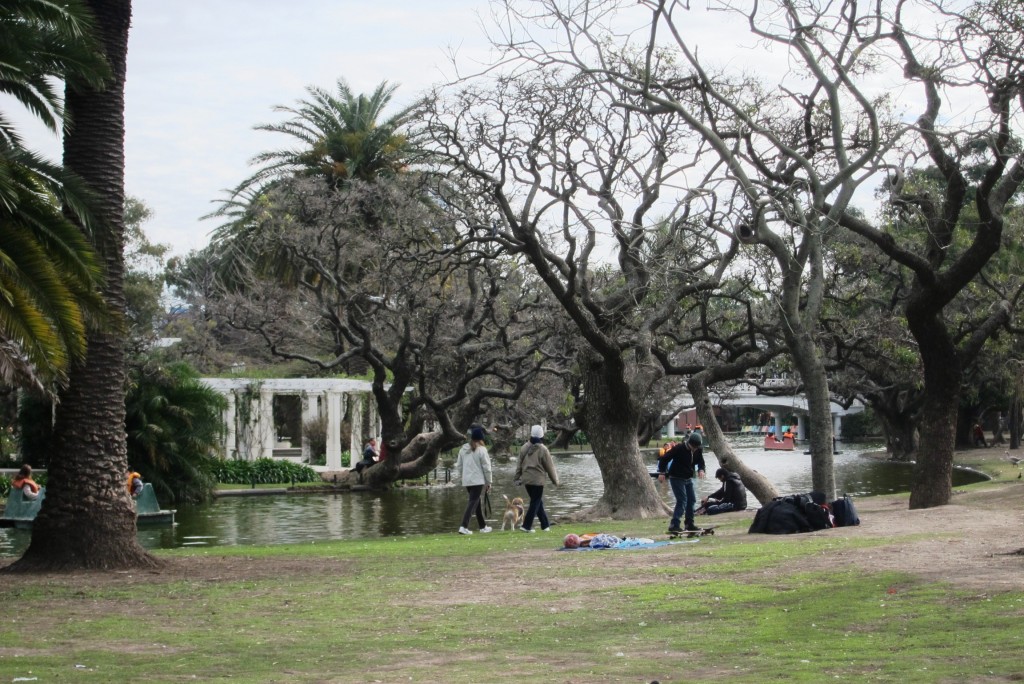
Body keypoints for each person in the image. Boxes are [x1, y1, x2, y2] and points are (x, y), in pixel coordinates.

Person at [514, 424, 561, 533]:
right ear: (541, 435)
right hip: (538, 480)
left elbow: (519, 465)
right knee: (535, 502)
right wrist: (556, 481)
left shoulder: (524, 447)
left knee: (538, 502)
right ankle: (526, 526)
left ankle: (545, 525)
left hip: (526, 480)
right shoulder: (543, 449)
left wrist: (516, 478)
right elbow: (550, 467)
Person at [657, 432, 706, 533]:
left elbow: (701, 461)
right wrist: (662, 472)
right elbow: (664, 459)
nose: (695, 449)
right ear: (689, 443)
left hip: (688, 478)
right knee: (682, 500)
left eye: (697, 447)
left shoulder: (698, 450)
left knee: (691, 500)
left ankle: (689, 523)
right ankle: (674, 524)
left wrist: (701, 469)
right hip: (676, 477)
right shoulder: (679, 448)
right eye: (693, 446)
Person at [454, 426, 492, 535]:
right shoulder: (482, 450)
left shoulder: (463, 449)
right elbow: (487, 467)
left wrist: (463, 476)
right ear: (481, 439)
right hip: (477, 480)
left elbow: (459, 466)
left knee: (476, 502)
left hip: (467, 480)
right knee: (473, 502)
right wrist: (489, 482)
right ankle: (464, 526)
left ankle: (482, 526)